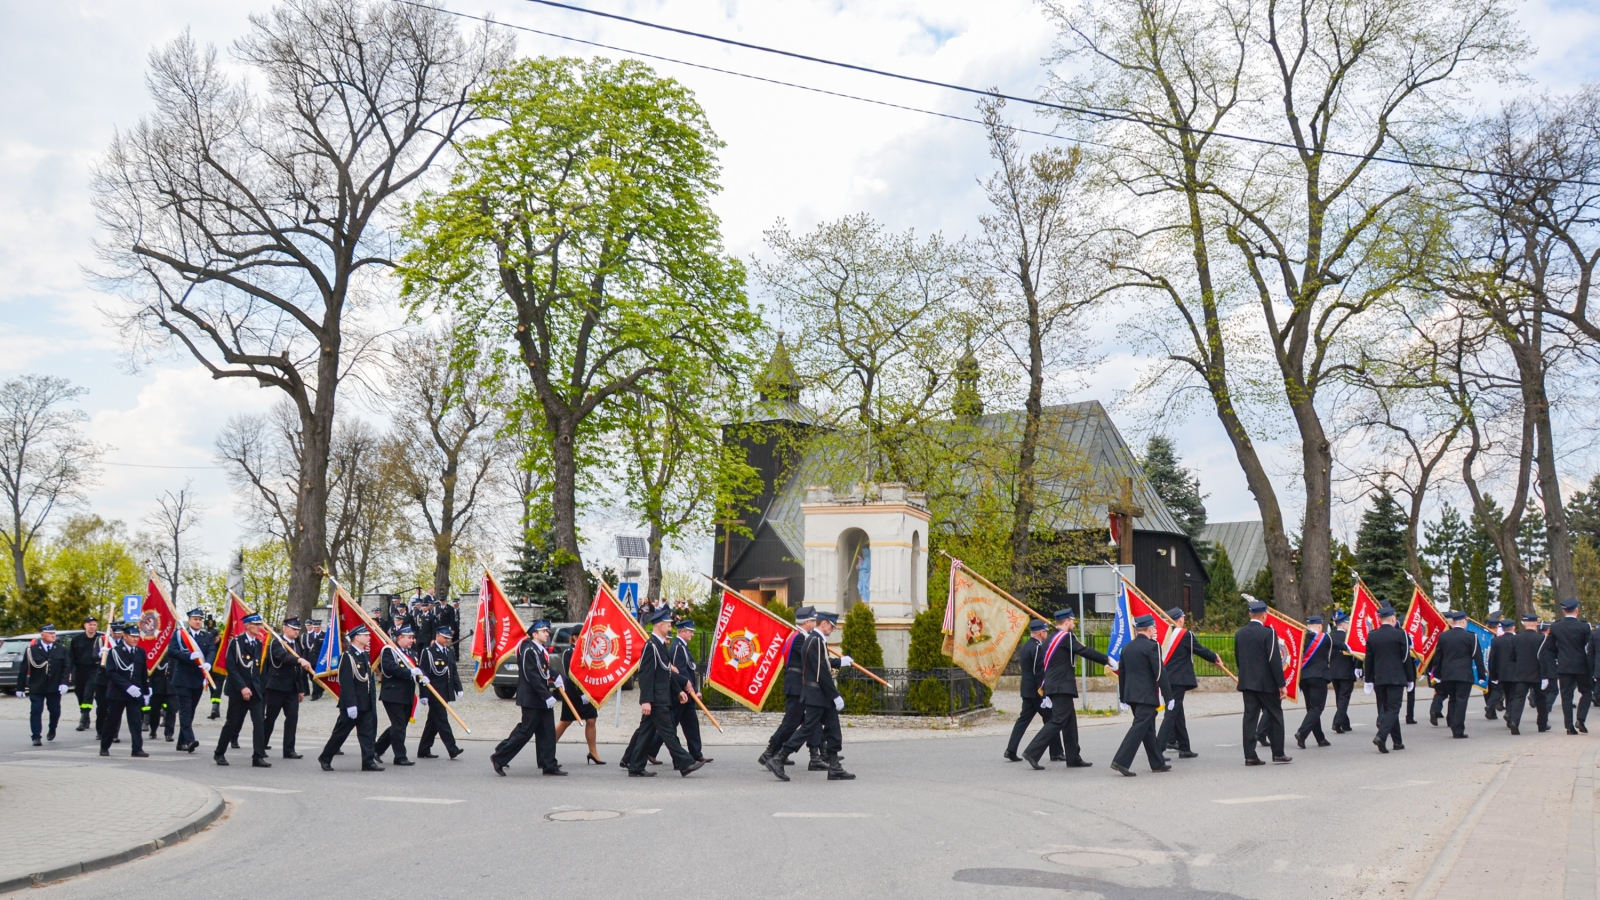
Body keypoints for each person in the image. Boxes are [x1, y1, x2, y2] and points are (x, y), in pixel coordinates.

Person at [766, 611, 851, 781]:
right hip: (817, 694)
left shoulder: (814, 640)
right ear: (824, 623)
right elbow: (822, 673)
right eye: (832, 626)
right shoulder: (815, 641)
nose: (832, 629)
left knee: (833, 728)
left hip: (820, 694)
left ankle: (834, 766)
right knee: (807, 728)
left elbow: (823, 667)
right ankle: (779, 757)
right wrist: (835, 695)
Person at [1021, 608, 1110, 770]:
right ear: (1067, 621)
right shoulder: (1065, 638)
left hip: (1055, 685)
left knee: (1069, 722)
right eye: (1072, 621)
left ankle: (1073, 757)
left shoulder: (1050, 639)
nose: (1074, 624)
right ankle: (1032, 752)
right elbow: (1084, 651)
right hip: (1062, 685)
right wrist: (1107, 660)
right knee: (1058, 720)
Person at [627, 609, 706, 778]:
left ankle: (634, 765)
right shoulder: (651, 646)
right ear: (660, 625)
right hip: (656, 698)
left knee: (646, 731)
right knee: (668, 731)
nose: (670, 627)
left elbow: (666, 673)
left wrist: (677, 691)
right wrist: (646, 700)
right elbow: (645, 675)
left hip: (661, 696)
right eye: (668, 624)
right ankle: (685, 763)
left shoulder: (660, 645)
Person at [491, 620, 566, 777]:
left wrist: (556, 675)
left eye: (547, 631)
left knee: (547, 732)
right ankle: (499, 757)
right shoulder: (528, 650)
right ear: (534, 634)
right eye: (544, 631)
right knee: (525, 731)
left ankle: (549, 764)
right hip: (532, 698)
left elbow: (543, 669)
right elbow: (531, 675)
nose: (547, 633)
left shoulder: (538, 650)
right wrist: (546, 695)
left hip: (541, 697)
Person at [645, 619, 713, 766]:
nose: (692, 635)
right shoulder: (677, 647)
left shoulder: (683, 646)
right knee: (669, 727)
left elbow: (688, 671)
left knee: (691, 724)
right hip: (680, 695)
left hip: (687, 694)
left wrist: (693, 691)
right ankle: (653, 751)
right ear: (682, 631)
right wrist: (686, 691)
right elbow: (677, 672)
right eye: (690, 632)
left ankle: (696, 754)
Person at [1155, 607, 1219, 759]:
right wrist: (1214, 657)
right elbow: (1199, 650)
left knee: (1178, 713)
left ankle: (1184, 747)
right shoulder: (1184, 634)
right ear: (1180, 619)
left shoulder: (1163, 634)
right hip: (1178, 680)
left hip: (1164, 678)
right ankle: (1157, 750)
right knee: (1171, 714)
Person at [1110, 615, 1170, 777]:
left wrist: (1123, 697)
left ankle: (1157, 763)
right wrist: (1168, 696)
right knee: (1139, 727)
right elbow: (1159, 673)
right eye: (1154, 629)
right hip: (1146, 695)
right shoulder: (1152, 646)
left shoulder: (1127, 647)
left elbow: (1122, 673)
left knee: (1148, 728)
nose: (1154, 632)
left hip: (1131, 694)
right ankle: (1121, 761)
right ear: (1150, 629)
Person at [760, 607, 819, 770]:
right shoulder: (800, 638)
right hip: (797, 686)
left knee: (811, 720)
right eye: (813, 621)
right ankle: (770, 752)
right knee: (790, 723)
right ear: (807, 622)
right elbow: (809, 660)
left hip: (801, 685)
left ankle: (817, 755)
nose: (815, 624)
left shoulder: (801, 636)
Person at [319, 625, 381, 771]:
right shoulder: (347, 657)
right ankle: (325, 757)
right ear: (357, 638)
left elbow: (368, 681)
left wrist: (372, 701)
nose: (368, 637)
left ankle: (368, 762)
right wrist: (351, 704)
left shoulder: (364, 655)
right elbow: (346, 683)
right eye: (366, 635)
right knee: (340, 734)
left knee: (367, 734)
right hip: (352, 704)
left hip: (365, 703)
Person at [1235, 599, 1289, 765]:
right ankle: (1278, 752)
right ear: (1265, 615)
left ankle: (1250, 755)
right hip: (1266, 684)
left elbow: (1238, 658)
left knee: (1250, 718)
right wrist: (1281, 684)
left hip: (1247, 683)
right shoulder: (1268, 633)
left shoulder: (1240, 633)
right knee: (1275, 716)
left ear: (1250, 614)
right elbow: (1274, 661)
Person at [1005, 620, 1065, 763]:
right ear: (1040, 633)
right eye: (1045, 632)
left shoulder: (1026, 646)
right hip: (1036, 692)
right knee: (1052, 720)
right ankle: (1056, 752)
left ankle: (1011, 749)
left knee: (1023, 720)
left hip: (1027, 690)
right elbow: (1039, 672)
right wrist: (1044, 691)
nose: (1046, 634)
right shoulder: (1038, 648)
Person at [215, 613, 269, 767]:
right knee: (232, 723)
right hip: (238, 691)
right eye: (256, 625)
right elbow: (232, 668)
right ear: (247, 626)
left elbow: (258, 670)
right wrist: (242, 687)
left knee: (259, 723)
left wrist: (261, 688)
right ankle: (219, 753)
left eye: (260, 625)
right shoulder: (236, 643)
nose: (260, 628)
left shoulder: (258, 644)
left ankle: (258, 756)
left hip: (255, 691)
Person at [262, 617, 315, 760]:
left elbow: (298, 671)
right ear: (285, 628)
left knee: (292, 719)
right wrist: (299, 660)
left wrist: (301, 689)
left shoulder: (297, 645)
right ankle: (261, 746)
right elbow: (283, 657)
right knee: (270, 718)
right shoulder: (276, 643)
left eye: (298, 629)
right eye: (293, 629)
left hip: (291, 689)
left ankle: (289, 749)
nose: (296, 632)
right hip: (276, 687)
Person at [1364, 604, 1412, 753]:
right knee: (1394, 709)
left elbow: (1369, 660)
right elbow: (1406, 658)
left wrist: (1369, 679)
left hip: (1379, 678)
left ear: (1380, 620)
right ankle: (1381, 736)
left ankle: (1397, 742)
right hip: (1396, 678)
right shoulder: (1400, 634)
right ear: (1393, 619)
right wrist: (1410, 678)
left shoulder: (1372, 635)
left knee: (1388, 709)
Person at [166, 609, 214, 753]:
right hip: (182, 679)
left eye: (200, 619)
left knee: (191, 711)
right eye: (195, 619)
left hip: (198, 679)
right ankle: (190, 740)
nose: (198, 621)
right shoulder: (180, 635)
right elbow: (172, 651)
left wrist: (209, 663)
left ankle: (181, 743)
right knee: (185, 710)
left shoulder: (207, 636)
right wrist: (188, 656)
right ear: (189, 620)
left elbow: (211, 650)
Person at [99, 623, 150, 758]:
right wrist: (127, 686)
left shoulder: (140, 652)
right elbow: (111, 673)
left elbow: (143, 673)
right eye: (132, 637)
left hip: (135, 693)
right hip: (118, 693)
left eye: (137, 637)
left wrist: (146, 691)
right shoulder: (115, 652)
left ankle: (137, 748)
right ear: (125, 636)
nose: (135, 639)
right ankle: (104, 746)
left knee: (135, 721)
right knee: (112, 721)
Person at [373, 626, 421, 766]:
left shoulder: (411, 653)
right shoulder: (390, 650)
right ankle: (400, 756)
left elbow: (416, 670)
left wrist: (421, 677)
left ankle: (376, 749)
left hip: (407, 695)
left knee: (399, 726)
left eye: (412, 637)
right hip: (392, 694)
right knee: (399, 726)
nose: (412, 640)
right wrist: (409, 672)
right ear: (400, 638)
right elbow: (389, 668)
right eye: (409, 637)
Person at [1433, 611, 1484, 738]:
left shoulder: (1444, 637)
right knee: (1461, 701)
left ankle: (1451, 722)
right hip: (1464, 674)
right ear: (1463, 621)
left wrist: (1437, 674)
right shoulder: (1471, 637)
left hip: (1447, 674)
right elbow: (1478, 657)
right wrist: (1482, 675)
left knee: (1453, 698)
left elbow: (1438, 657)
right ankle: (1458, 729)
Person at [417, 626, 464, 760]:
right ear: (437, 636)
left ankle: (424, 749)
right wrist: (424, 694)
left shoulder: (449, 651)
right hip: (434, 692)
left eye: (449, 638)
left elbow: (453, 671)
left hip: (445, 691)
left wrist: (458, 687)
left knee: (433, 721)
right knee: (442, 719)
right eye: (445, 638)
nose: (447, 640)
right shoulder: (429, 652)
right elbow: (423, 674)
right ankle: (452, 748)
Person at [553, 638, 603, 764]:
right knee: (566, 721)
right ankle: (546, 749)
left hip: (588, 691)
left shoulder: (589, 652)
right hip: (573, 693)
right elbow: (569, 674)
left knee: (591, 719)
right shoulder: (569, 652)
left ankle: (593, 752)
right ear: (575, 637)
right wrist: (581, 693)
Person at [22, 624, 71, 746]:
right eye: (50, 633)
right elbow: (23, 669)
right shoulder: (32, 650)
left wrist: (64, 683)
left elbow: (66, 667)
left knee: (55, 711)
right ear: (42, 635)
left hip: (54, 686)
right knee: (36, 711)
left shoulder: (61, 649)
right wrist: (20, 687)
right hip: (37, 686)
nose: (53, 635)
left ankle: (52, 728)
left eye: (54, 633)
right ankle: (36, 736)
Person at [1548, 598, 1592, 734]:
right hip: (1582, 666)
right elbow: (1589, 647)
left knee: (1566, 696)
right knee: (1586, 692)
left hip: (1563, 666)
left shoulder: (1555, 627)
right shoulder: (1584, 627)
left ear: (1563, 611)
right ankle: (1580, 719)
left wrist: (1557, 658)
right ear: (1577, 610)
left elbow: (1549, 648)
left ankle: (1569, 726)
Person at [1294, 616, 1333, 750]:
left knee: (1311, 709)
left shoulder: (1301, 638)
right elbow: (1338, 644)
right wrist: (1349, 648)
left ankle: (1320, 738)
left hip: (1304, 677)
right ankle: (1302, 732)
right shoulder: (1325, 638)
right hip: (1319, 677)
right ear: (1320, 626)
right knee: (1317, 708)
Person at [1504, 613, 1545, 735]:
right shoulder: (1541, 638)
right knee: (1541, 699)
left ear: (1524, 624)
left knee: (1518, 699)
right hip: (1537, 673)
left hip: (1521, 673)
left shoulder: (1516, 638)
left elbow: (1512, 657)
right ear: (1536, 624)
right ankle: (1542, 724)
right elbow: (1544, 657)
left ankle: (1514, 722)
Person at [68, 617, 103, 732]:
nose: (92, 627)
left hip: (94, 669)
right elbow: (71, 657)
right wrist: (70, 672)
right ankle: (85, 715)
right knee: (80, 693)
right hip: (80, 670)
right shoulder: (77, 639)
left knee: (88, 693)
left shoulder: (101, 639)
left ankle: (83, 719)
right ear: (85, 626)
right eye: (90, 624)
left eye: (94, 625)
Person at [1328, 610, 1357, 734]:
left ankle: (1345, 724)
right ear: (1344, 624)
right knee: (1344, 698)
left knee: (1339, 697)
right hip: (1346, 672)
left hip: (1334, 672)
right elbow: (1355, 655)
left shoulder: (1330, 637)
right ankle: (1337, 722)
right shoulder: (1349, 637)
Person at [1487, 618, 1514, 721]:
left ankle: (1494, 706)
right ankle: (1509, 713)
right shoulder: (1517, 639)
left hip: (1500, 672)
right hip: (1514, 672)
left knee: (1505, 692)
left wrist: (1493, 674)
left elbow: (1492, 659)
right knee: (1512, 695)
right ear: (1513, 627)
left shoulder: (1496, 640)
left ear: (1502, 628)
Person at [146, 648, 174, 743]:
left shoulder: (174, 653)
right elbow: (150, 671)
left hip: (171, 687)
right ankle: (153, 730)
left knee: (171, 711)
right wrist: (149, 686)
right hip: (157, 686)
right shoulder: (156, 652)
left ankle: (169, 733)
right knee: (154, 710)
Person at [1539, 622, 1560, 731]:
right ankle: (1545, 709)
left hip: (1536, 669)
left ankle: (1535, 699)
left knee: (1541, 691)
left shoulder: (1536, 639)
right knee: (1553, 690)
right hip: (1550, 668)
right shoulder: (1550, 640)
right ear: (1548, 630)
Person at [299, 619, 326, 701]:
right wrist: (304, 659)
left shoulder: (324, 635)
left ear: (320, 627)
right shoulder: (309, 635)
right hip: (310, 659)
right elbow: (306, 649)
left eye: (317, 627)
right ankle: (318, 690)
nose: (316, 629)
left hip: (320, 660)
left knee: (315, 677)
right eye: (314, 627)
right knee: (311, 677)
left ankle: (316, 694)